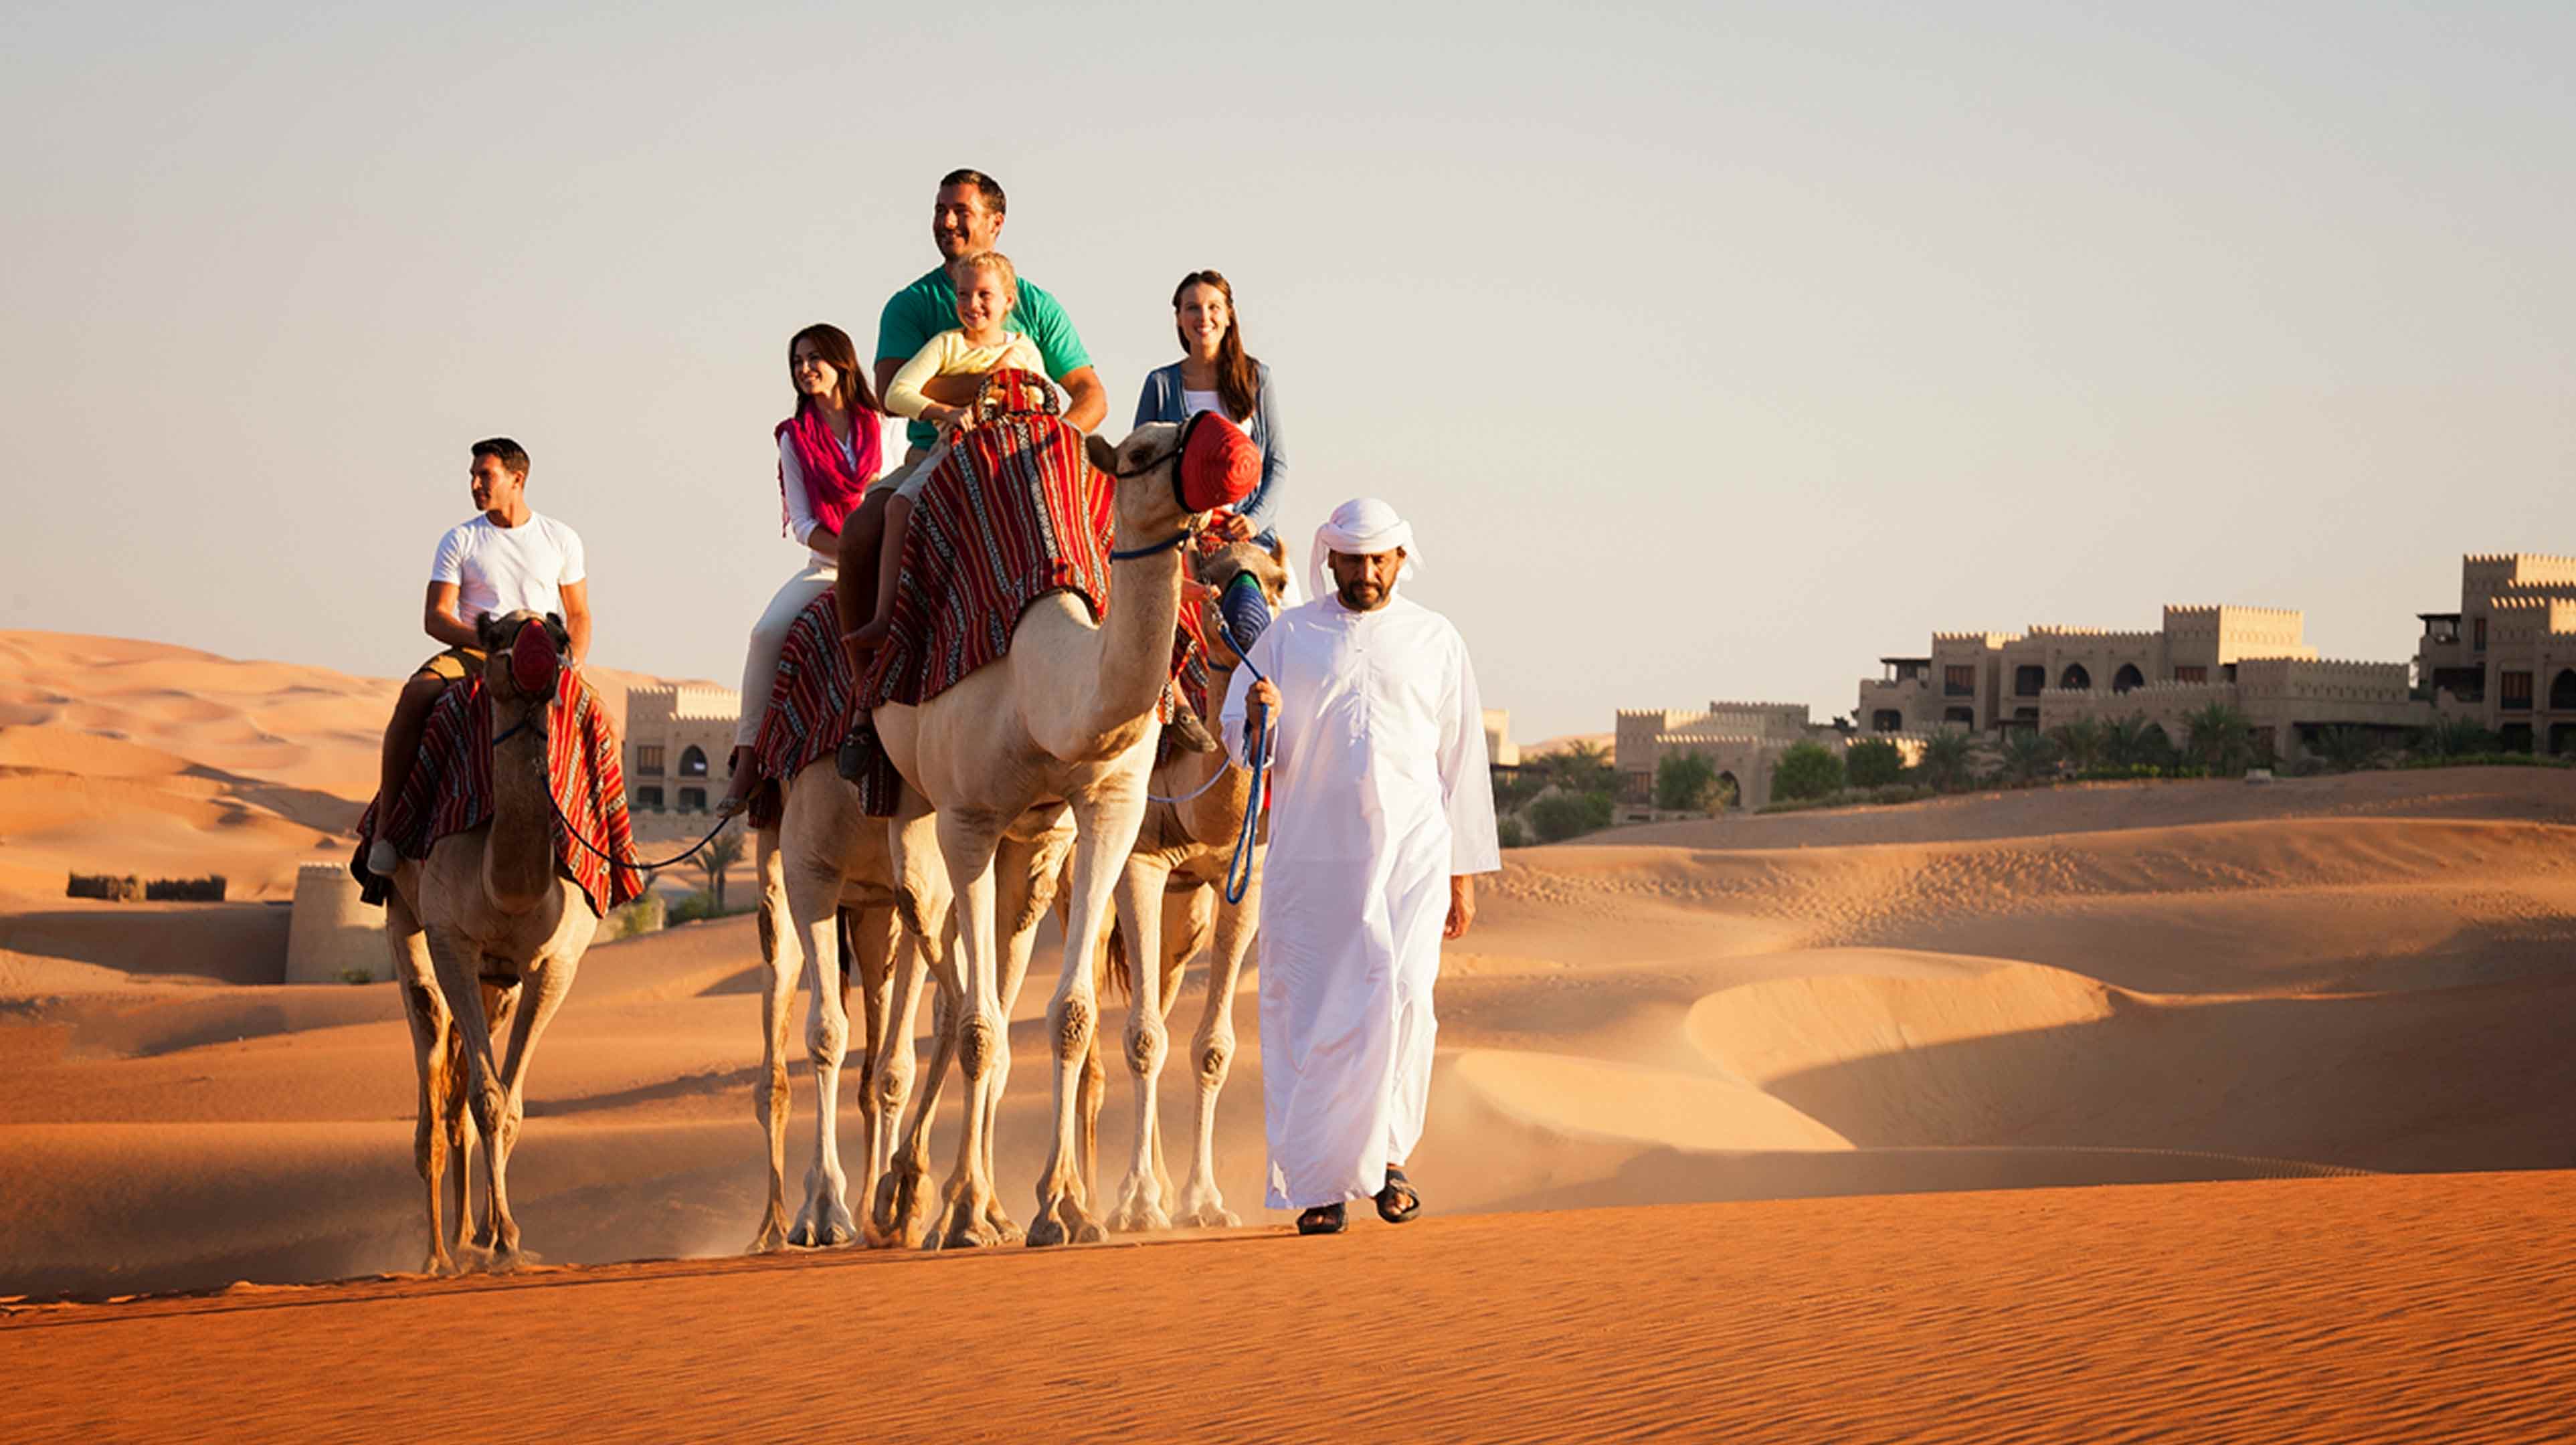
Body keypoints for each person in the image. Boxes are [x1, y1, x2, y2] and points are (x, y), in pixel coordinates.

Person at [1217, 497, 1501, 1236]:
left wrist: (1461, 876)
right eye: (1353, 559)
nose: (1367, 573)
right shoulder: (1290, 636)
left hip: (1412, 855)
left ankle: (1392, 1161)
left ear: (1401, 561)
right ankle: (1319, 1185)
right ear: (1329, 560)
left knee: (1404, 998)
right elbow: (1239, 740)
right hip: (1311, 861)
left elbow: (1462, 762)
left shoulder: (1435, 639)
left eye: (1380, 560)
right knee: (1309, 1015)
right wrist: (1256, 715)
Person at [836, 167, 1105, 674]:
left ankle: (1156, 688)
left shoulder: (1036, 307)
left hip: (1024, 456)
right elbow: (891, 392)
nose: (947, 221)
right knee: (859, 533)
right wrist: (995, 388)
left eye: (961, 211)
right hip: (935, 451)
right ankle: (862, 694)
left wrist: (1056, 442)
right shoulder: (912, 306)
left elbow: (1090, 394)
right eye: (941, 210)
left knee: (1123, 523)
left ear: (995, 222)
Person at [367, 438, 590, 874]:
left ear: (517, 479)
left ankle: (608, 846)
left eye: (484, 475)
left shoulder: (560, 538)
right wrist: (490, 643)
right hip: (477, 651)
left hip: (543, 656)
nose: (474, 484)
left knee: (602, 723)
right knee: (415, 698)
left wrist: (573, 661)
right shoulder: (461, 539)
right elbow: (436, 617)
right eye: (473, 475)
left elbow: (579, 613)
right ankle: (386, 830)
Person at [838, 250, 1044, 655]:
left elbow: (1040, 398)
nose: (973, 305)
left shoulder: (1025, 350)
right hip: (951, 449)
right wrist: (945, 411)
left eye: (985, 295)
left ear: (1008, 300)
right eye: (964, 295)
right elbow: (897, 392)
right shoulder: (947, 345)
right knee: (898, 506)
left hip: (1009, 452)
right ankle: (885, 619)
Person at [715, 324, 883, 815]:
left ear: (842, 363)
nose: (804, 369)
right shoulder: (794, 438)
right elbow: (804, 523)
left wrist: (870, 554)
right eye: (796, 362)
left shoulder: (884, 426)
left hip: (886, 560)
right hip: (828, 567)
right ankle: (749, 761)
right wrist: (848, 553)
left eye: (814, 359)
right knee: (766, 634)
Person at [1132, 270, 1289, 555]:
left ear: (1229, 316)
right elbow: (1140, 466)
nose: (1204, 317)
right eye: (1192, 308)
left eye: (1213, 307)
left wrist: (1254, 522)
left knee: (1272, 597)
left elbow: (1277, 465)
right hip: (1180, 541)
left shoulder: (1257, 379)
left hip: (1248, 540)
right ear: (1179, 318)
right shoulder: (1161, 384)